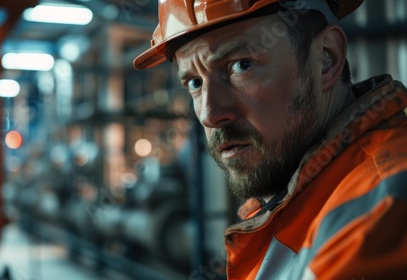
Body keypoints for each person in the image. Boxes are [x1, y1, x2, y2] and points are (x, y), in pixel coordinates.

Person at [134, 0, 407, 279]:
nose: (209, 114)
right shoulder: (286, 209)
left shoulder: (383, 210)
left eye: (241, 65)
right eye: (195, 83)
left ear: (327, 59)